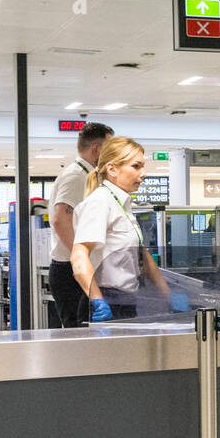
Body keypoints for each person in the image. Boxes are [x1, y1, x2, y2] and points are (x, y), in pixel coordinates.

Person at [70, 136, 170, 321]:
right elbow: (79, 255)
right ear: (112, 169)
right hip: (104, 303)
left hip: (125, 301)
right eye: (136, 166)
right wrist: (98, 300)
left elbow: (142, 255)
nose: (144, 173)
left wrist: (168, 295)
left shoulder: (122, 204)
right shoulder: (100, 202)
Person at [49, 122, 112, 327]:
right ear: (96, 149)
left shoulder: (89, 177)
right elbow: (60, 219)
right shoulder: (77, 177)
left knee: (89, 334)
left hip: (79, 268)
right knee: (80, 335)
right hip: (72, 270)